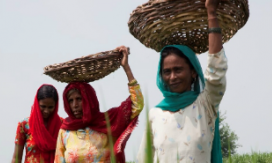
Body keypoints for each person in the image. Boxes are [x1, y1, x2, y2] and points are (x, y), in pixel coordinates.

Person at [137, 0, 227, 162]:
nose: (172, 77)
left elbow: (216, 72)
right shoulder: (155, 115)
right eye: (167, 72)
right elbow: (145, 159)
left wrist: (211, 14)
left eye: (178, 70)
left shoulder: (205, 106)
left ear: (193, 72)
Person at [54, 46, 144, 163]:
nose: (74, 105)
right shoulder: (65, 131)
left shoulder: (107, 123)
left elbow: (137, 104)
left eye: (79, 99)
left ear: (90, 100)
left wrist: (126, 68)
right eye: (70, 101)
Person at [11, 84, 63, 163]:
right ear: (36, 103)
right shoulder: (24, 125)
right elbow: (16, 158)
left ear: (55, 106)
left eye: (50, 107)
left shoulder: (63, 125)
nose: (46, 111)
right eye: (43, 106)